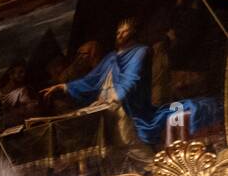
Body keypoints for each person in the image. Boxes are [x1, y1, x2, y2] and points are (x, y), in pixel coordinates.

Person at [41, 18, 222, 151]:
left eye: (124, 32)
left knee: (128, 141)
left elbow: (132, 78)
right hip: (106, 106)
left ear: (132, 33)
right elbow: (91, 80)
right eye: (118, 32)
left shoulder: (140, 52)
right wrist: (63, 87)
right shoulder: (111, 57)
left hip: (128, 105)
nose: (120, 35)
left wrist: (115, 97)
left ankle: (149, 169)